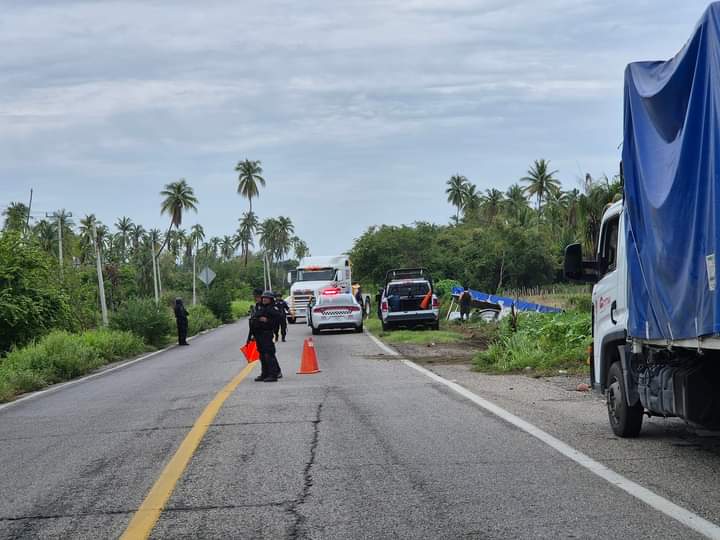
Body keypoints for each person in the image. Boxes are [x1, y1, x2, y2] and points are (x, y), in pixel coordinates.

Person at [248, 290, 282, 382]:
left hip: (266, 333)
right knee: (262, 355)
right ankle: (265, 373)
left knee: (269, 354)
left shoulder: (272, 309)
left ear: (271, 299)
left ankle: (273, 374)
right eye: (264, 298)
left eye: (267, 298)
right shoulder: (260, 308)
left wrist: (267, 320)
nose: (264, 299)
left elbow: (278, 320)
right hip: (258, 334)